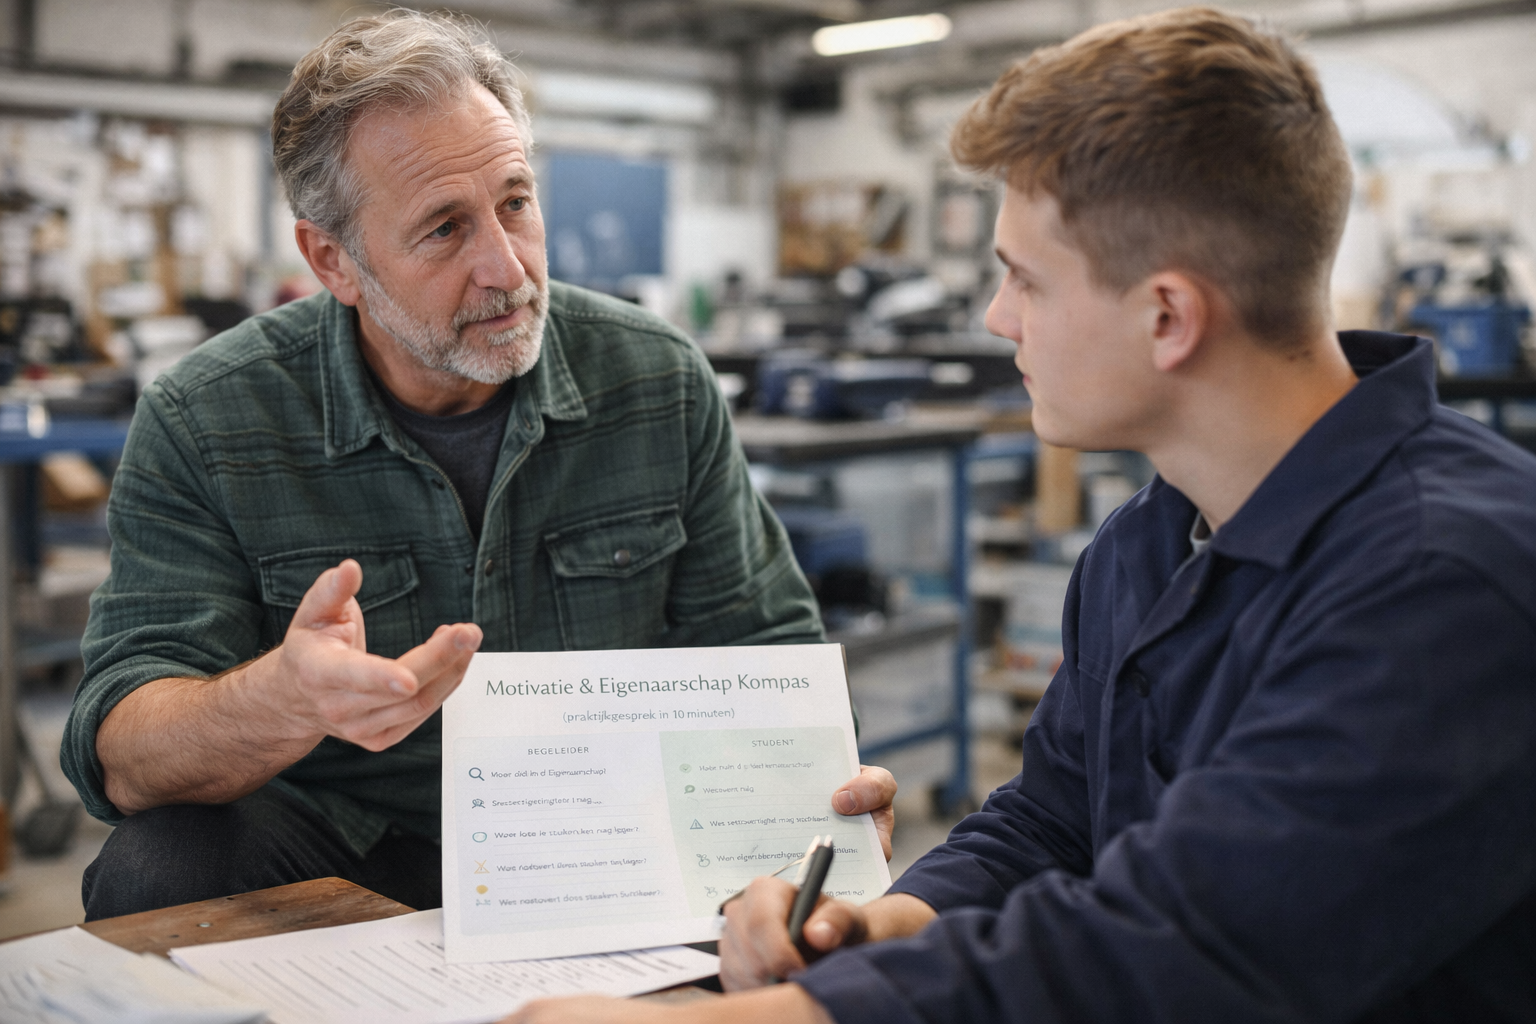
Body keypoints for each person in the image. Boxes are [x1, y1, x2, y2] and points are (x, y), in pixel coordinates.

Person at [502, 7, 1536, 1023]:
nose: (998, 319)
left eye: (1025, 280)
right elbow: (1051, 824)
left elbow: (1184, 954)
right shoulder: (1149, 542)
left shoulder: (1445, 583)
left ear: (1167, 316)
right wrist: (874, 927)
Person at [61, 9, 895, 920]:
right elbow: (122, 755)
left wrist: (824, 807)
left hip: (607, 841)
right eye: (444, 229)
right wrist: (283, 699)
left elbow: (765, 652)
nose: (507, 268)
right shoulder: (208, 418)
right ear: (333, 260)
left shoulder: (655, 381)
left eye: (515, 203)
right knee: (157, 867)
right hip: (350, 847)